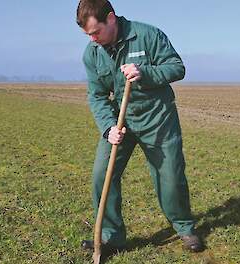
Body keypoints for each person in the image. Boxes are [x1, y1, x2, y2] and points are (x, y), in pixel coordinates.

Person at [76, 0, 203, 253]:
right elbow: (97, 95)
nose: (92, 39)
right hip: (120, 121)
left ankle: (184, 227)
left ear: (110, 18)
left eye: (95, 32)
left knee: (170, 177)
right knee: (103, 175)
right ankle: (111, 237)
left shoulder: (147, 35)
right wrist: (108, 127)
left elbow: (177, 68)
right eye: (87, 34)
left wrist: (145, 72)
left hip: (158, 119)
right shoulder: (92, 53)